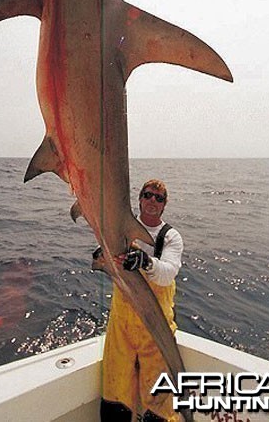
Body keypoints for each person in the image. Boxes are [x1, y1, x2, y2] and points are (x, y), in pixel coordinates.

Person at [99, 178, 184, 422]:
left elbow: (167, 274)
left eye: (158, 198)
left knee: (158, 402)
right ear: (139, 198)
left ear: (164, 205)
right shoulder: (121, 230)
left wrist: (146, 262)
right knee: (115, 392)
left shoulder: (171, 237)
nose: (152, 201)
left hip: (154, 328)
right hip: (122, 324)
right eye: (148, 195)